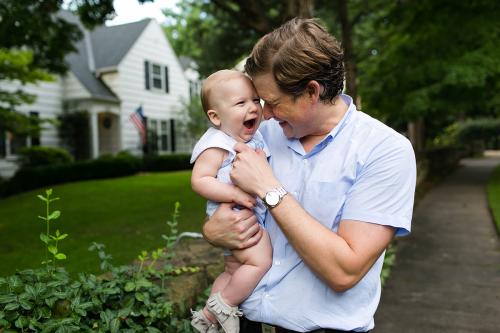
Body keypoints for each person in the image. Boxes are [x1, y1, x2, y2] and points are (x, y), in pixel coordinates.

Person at [203, 18, 417, 333]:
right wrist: (213, 231)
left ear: (311, 92)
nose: (266, 114)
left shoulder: (384, 151)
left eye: (273, 103)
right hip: (243, 321)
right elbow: (222, 208)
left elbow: (344, 271)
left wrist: (268, 188)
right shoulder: (259, 137)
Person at [189, 70, 273, 333]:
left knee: (232, 271)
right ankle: (223, 306)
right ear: (215, 116)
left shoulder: (253, 137)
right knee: (261, 261)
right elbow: (200, 180)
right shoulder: (217, 143)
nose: (253, 108)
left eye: (255, 100)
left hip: (246, 216)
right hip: (236, 217)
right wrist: (235, 194)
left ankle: (207, 319)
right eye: (241, 103)